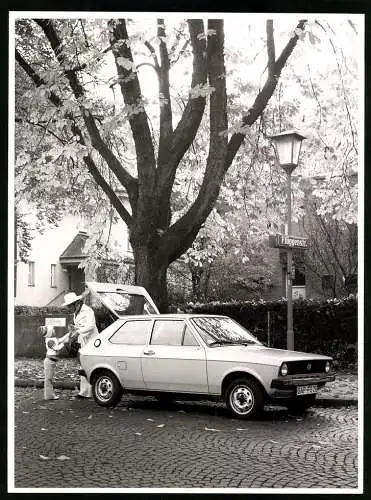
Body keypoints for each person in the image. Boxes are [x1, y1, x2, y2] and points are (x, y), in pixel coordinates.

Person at [62, 291, 99, 398]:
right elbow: (80, 326)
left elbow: (91, 326)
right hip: (83, 342)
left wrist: (78, 331)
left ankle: (92, 391)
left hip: (92, 342)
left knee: (91, 366)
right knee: (83, 365)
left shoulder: (88, 310)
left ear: (76, 303)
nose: (69, 309)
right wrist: (73, 329)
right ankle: (84, 392)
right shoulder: (76, 312)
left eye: (70, 306)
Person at [40, 325, 71, 400]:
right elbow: (57, 348)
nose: (54, 331)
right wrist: (64, 343)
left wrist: (69, 333)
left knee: (49, 378)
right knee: (48, 379)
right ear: (50, 333)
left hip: (51, 361)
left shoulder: (52, 338)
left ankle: (49, 395)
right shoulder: (50, 341)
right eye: (52, 330)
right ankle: (49, 396)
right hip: (49, 361)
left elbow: (60, 340)